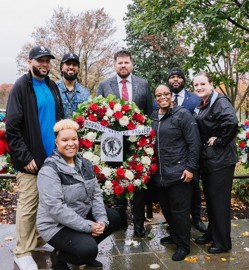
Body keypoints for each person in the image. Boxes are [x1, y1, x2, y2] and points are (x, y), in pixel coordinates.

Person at [6, 45, 64, 270]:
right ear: (29, 62)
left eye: (47, 60)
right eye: (40, 60)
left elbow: (59, 118)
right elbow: (12, 127)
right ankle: (22, 250)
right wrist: (25, 156)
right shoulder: (21, 86)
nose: (44, 64)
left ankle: (38, 240)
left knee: (46, 205)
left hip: (52, 159)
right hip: (30, 161)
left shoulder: (51, 86)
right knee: (28, 206)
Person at [36, 119, 120, 270]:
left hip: (79, 216)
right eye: (65, 140)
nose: (70, 143)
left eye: (74, 139)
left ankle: (81, 249)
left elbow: (95, 195)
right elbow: (56, 209)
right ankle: (60, 257)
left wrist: (101, 221)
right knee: (88, 250)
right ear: (56, 142)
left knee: (112, 218)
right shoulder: (49, 170)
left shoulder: (85, 164)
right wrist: (88, 226)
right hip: (55, 225)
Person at [96, 49, 153, 237]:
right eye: (119, 63)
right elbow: (97, 113)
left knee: (137, 184)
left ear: (132, 64)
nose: (123, 65)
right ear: (114, 65)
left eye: (126, 62)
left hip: (137, 144)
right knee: (116, 181)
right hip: (112, 143)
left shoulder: (143, 84)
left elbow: (148, 114)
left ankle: (138, 223)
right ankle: (120, 221)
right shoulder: (104, 85)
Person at [151, 84, 201, 261]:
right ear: (155, 98)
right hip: (161, 175)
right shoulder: (154, 117)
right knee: (167, 210)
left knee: (180, 212)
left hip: (180, 173)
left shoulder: (182, 115)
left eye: (166, 94)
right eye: (159, 95)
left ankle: (183, 245)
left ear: (171, 96)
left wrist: (190, 168)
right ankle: (175, 236)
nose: (162, 97)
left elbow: (194, 143)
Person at [193, 71, 238, 254]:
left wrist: (219, 140)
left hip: (221, 161)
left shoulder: (220, 102)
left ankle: (223, 242)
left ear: (211, 84)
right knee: (211, 201)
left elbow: (232, 123)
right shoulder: (203, 104)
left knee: (219, 202)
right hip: (210, 160)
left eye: (203, 84)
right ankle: (212, 233)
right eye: (196, 85)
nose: (199, 87)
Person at [166, 67, 207, 233]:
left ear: (184, 80)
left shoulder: (194, 99)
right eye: (172, 77)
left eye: (179, 77)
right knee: (175, 189)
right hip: (172, 151)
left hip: (191, 148)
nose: (175, 80)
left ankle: (196, 218)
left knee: (194, 186)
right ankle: (175, 221)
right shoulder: (162, 98)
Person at [57, 53, 90, 118]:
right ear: (62, 67)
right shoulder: (53, 89)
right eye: (68, 64)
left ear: (78, 69)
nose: (71, 67)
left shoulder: (85, 93)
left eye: (74, 65)